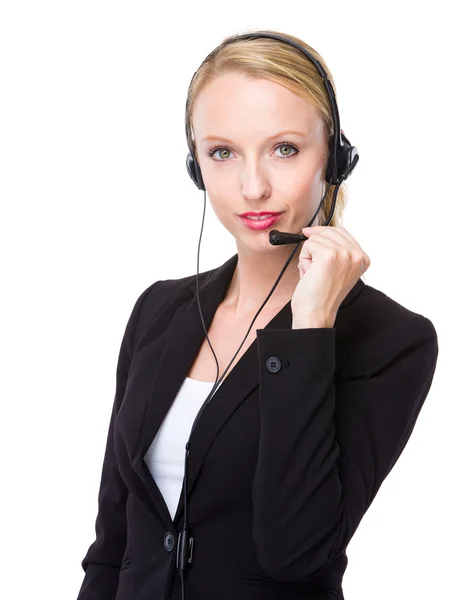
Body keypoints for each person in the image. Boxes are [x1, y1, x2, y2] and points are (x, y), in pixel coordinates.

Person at [76, 29, 439, 600]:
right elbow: (112, 544)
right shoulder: (158, 310)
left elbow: (295, 551)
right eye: (222, 153)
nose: (252, 187)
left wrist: (311, 327)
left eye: (285, 149)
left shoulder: (392, 339)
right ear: (196, 166)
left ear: (336, 159)